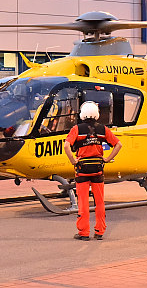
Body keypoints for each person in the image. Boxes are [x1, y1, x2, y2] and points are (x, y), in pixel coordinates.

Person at [64, 101, 122, 241]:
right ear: (96, 114)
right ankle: (100, 231)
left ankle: (83, 233)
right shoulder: (102, 129)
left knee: (83, 203)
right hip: (98, 170)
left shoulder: (77, 129)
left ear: (82, 114)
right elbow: (118, 144)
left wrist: (73, 161)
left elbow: (67, 146)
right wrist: (107, 159)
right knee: (99, 202)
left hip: (82, 171)